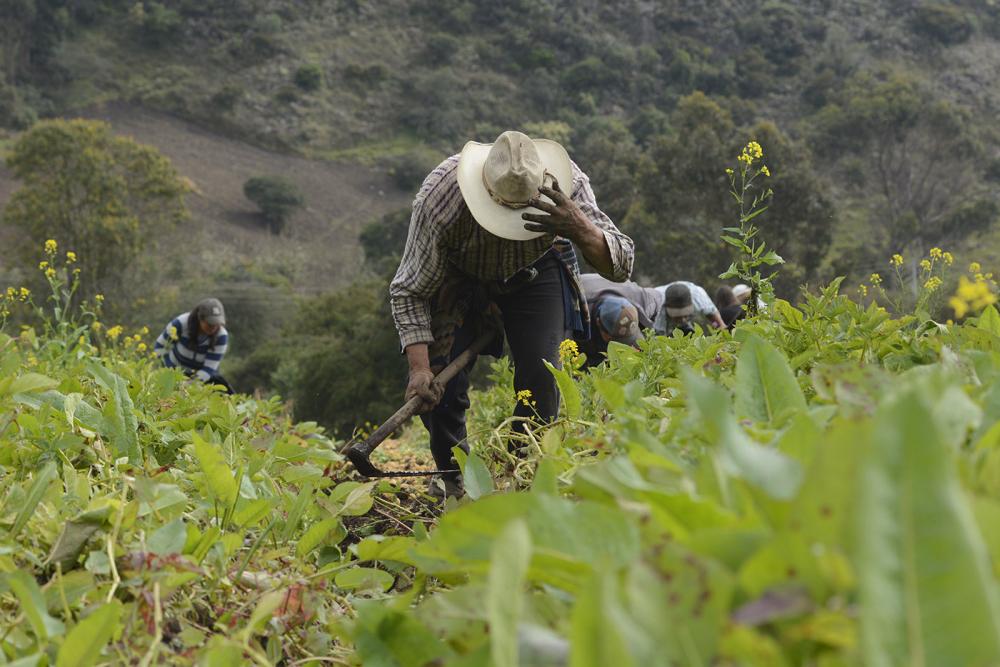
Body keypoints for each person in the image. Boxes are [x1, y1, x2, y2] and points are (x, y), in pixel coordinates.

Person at [390, 130, 634, 498]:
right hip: (461, 272)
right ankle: (453, 475)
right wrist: (420, 368)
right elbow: (409, 290)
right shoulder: (441, 199)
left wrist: (578, 226)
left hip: (537, 268)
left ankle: (524, 473)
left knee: (542, 375)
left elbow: (621, 264)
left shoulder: (567, 185)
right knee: (442, 383)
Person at [576, 273, 661, 366]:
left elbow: (659, 299)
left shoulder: (643, 299)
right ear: (598, 323)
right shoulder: (575, 311)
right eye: (618, 340)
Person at [153, 298, 233, 394]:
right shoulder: (181, 323)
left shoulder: (222, 336)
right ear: (200, 319)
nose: (214, 327)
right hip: (174, 370)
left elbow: (209, 369)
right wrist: (169, 371)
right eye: (210, 324)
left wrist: (190, 384)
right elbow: (159, 346)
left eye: (217, 324)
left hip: (201, 378)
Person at [654, 281, 725, 334]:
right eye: (677, 317)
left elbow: (721, 325)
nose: (683, 320)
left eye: (685, 315)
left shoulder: (699, 298)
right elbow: (657, 337)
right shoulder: (655, 305)